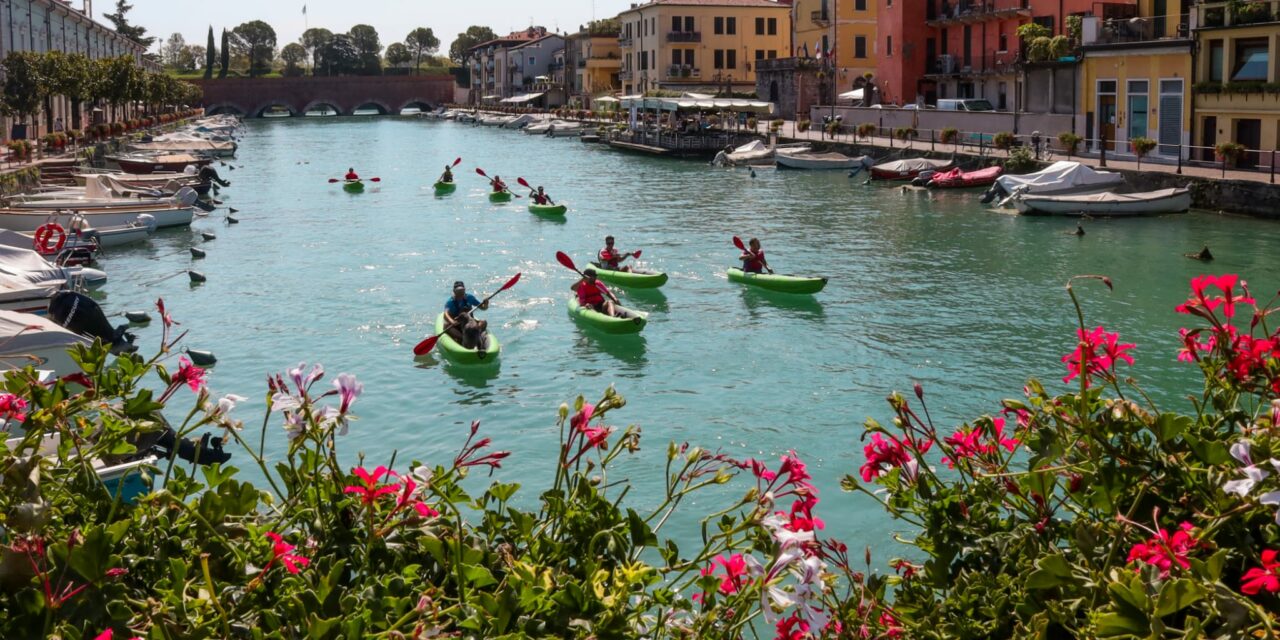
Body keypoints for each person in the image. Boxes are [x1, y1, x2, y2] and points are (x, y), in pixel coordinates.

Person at [443, 281, 489, 350]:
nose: (460, 293)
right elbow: (445, 314)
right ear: (454, 291)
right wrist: (452, 321)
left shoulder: (470, 297)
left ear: (464, 290)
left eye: (462, 290)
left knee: (483, 322)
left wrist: (486, 304)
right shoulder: (450, 302)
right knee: (446, 326)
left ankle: (477, 335)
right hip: (458, 325)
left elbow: (483, 308)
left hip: (471, 326)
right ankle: (463, 337)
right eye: (458, 291)